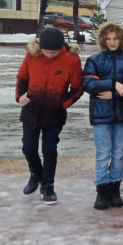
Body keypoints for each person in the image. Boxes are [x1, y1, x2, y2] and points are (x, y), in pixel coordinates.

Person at [16, 27, 83, 205]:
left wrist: (61, 104)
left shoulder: (72, 59)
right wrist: (20, 96)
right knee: (28, 148)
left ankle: (48, 185)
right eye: (46, 51)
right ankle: (36, 173)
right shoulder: (32, 55)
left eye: (53, 52)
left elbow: (77, 88)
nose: (49, 55)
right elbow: (22, 77)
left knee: (49, 150)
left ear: (60, 48)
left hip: (54, 113)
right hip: (31, 109)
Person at [83, 21, 123, 211]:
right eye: (108, 39)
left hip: (122, 115)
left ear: (121, 39)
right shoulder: (95, 60)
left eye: (115, 38)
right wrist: (112, 83)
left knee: (118, 154)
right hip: (101, 115)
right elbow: (88, 84)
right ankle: (102, 190)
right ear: (102, 40)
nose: (112, 42)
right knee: (102, 154)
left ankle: (115, 189)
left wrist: (115, 93)